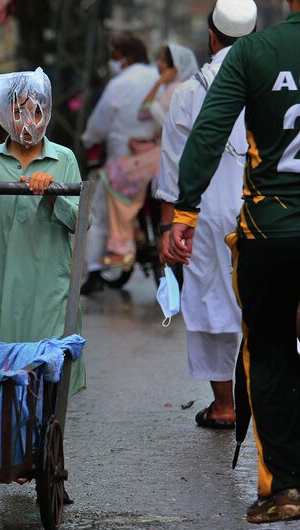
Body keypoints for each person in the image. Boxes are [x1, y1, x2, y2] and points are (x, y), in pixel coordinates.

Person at [169, 0, 300, 523]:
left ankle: (284, 488)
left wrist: (184, 210)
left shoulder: (254, 53)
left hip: (270, 231)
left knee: (268, 351)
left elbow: (207, 133)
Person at [156, 0, 256, 430]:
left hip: (202, 214)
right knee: (267, 302)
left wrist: (168, 226)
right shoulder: (271, 80)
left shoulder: (189, 92)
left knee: (211, 297)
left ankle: (224, 406)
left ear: (211, 36)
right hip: (263, 207)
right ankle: (271, 401)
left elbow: (172, 168)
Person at [0, 68, 86, 395]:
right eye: (17, 111)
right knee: (6, 382)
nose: (28, 120)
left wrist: (53, 193)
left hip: (52, 291)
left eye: (37, 110)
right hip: (6, 292)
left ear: (48, 112)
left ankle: (45, 446)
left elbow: (82, 223)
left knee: (51, 379)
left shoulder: (63, 158)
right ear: (3, 114)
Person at [80, 35, 158, 293]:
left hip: (124, 165)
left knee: (99, 214)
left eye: (115, 55)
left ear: (126, 56)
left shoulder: (119, 84)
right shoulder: (159, 77)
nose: (114, 61)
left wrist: (88, 139)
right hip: (159, 162)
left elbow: (98, 126)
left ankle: (94, 271)